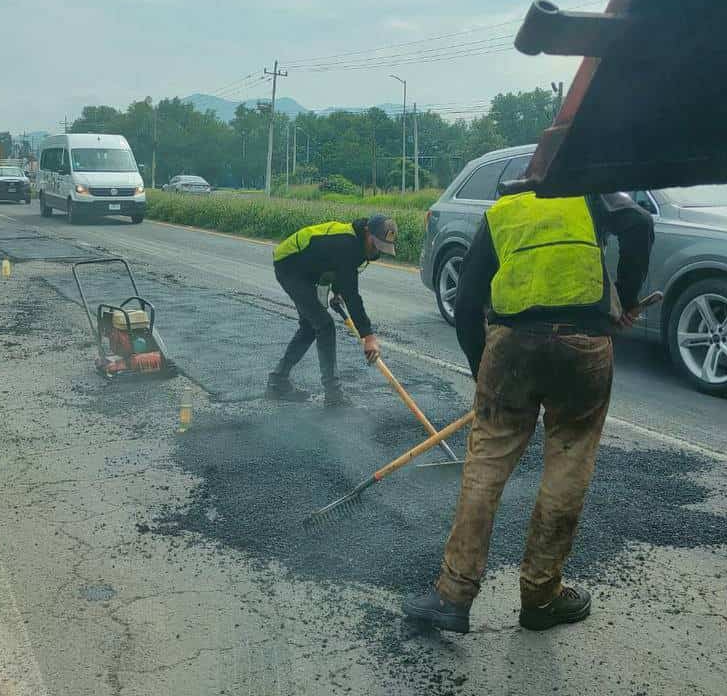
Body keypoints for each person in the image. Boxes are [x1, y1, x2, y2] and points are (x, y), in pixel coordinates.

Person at [403, 185, 653, 633]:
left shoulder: (501, 211)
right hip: (584, 344)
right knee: (568, 464)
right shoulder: (589, 195)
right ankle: (540, 597)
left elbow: (465, 305)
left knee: (485, 466)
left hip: (511, 346)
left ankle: (452, 595)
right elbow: (640, 224)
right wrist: (626, 298)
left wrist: (482, 369)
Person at [267, 214, 398, 408]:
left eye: (383, 247)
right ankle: (333, 393)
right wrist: (368, 337)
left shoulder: (359, 245)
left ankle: (278, 382)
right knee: (324, 325)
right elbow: (353, 295)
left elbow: (338, 269)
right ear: (367, 232)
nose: (377, 250)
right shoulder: (346, 244)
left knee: (311, 327)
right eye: (376, 243)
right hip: (290, 265)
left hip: (309, 269)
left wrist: (337, 292)